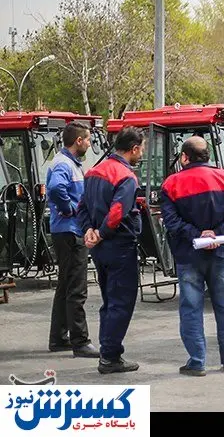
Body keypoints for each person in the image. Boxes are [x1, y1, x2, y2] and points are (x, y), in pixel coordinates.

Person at [160, 136, 224, 376]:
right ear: (207, 155)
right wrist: (216, 234)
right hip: (221, 253)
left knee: (191, 308)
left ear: (184, 158)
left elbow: (171, 221)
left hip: (189, 255)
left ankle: (197, 362)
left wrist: (198, 235)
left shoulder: (171, 184)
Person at [78, 126, 146, 375]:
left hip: (99, 247)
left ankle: (109, 350)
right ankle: (110, 356)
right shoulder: (126, 176)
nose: (142, 153)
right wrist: (102, 233)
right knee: (121, 301)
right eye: (142, 149)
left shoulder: (94, 171)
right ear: (134, 148)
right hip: (119, 245)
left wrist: (89, 231)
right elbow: (118, 211)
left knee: (109, 300)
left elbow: (81, 206)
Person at [46, 121, 100, 358]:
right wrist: (69, 208)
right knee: (77, 289)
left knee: (65, 287)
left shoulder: (68, 163)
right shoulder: (65, 164)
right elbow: (56, 189)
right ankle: (80, 341)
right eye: (87, 139)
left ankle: (58, 337)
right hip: (70, 231)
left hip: (66, 231)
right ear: (79, 141)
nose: (89, 143)